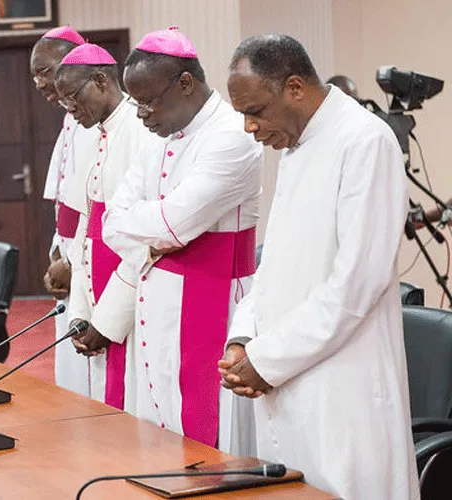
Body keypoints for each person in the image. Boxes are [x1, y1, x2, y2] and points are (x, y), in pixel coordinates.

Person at [220, 34, 418, 499]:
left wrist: (265, 360)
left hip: (341, 393)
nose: (250, 127)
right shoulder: (298, 143)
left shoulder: (364, 141)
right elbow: (276, 265)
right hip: (286, 377)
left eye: (256, 111)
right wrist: (243, 336)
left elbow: (356, 285)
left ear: (294, 88)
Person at [82, 28, 262, 455]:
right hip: (156, 305)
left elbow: (172, 225)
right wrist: (157, 237)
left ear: (185, 84)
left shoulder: (231, 136)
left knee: (212, 447)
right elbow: (113, 220)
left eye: (147, 102)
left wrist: (156, 230)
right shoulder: (158, 135)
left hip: (215, 302)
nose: (141, 115)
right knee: (158, 435)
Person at [56, 43, 156, 409]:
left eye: (72, 97)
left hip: (130, 297)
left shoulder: (142, 131)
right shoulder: (94, 134)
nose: (69, 108)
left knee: (134, 402)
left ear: (100, 80)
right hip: (97, 290)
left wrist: (108, 321)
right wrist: (81, 312)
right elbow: (85, 231)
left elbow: (143, 244)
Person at [32, 26, 97, 396]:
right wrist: (58, 252)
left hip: (90, 262)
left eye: (44, 70)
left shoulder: (96, 119)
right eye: (35, 75)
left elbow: (97, 203)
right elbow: (66, 201)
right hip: (70, 256)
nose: (39, 82)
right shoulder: (71, 118)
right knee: (72, 381)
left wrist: (73, 262)